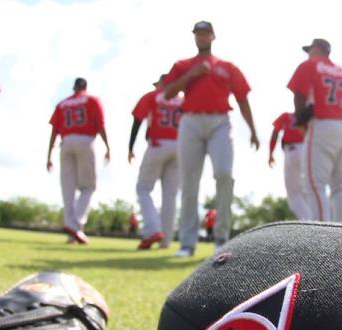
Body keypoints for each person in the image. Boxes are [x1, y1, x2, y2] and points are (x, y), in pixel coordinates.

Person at [163, 21, 259, 256]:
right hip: (191, 121)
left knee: (224, 173)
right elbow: (168, 92)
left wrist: (253, 130)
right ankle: (187, 243)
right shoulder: (182, 65)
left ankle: (221, 238)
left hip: (220, 122)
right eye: (198, 34)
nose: (202, 37)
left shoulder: (227, 66)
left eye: (206, 33)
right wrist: (191, 75)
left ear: (213, 36)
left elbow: (242, 98)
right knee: (189, 181)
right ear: (194, 37)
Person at [288, 38, 342, 223]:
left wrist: (301, 122)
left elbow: (299, 95)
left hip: (323, 126)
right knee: (340, 188)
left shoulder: (310, 65)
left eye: (310, 49)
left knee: (315, 185)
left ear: (317, 49)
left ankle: (322, 242)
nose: (309, 53)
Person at [46, 77, 110, 245]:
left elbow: (54, 130)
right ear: (85, 87)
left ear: (74, 87)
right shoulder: (92, 100)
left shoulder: (62, 103)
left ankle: (71, 231)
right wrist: (108, 146)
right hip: (85, 141)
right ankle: (75, 226)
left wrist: (49, 155)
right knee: (88, 186)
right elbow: (100, 124)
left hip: (65, 143)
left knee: (68, 189)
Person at [129, 74, 182, 250]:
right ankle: (166, 240)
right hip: (179, 149)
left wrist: (130, 147)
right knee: (170, 195)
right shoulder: (183, 100)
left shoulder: (152, 96)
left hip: (158, 144)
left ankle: (152, 230)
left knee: (143, 189)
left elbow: (137, 120)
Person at [268, 110, 310, 220]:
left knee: (294, 193)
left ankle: (307, 223)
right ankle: (316, 221)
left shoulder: (286, 116)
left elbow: (275, 132)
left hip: (293, 151)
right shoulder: (309, 114)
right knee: (307, 190)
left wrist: (271, 153)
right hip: (308, 152)